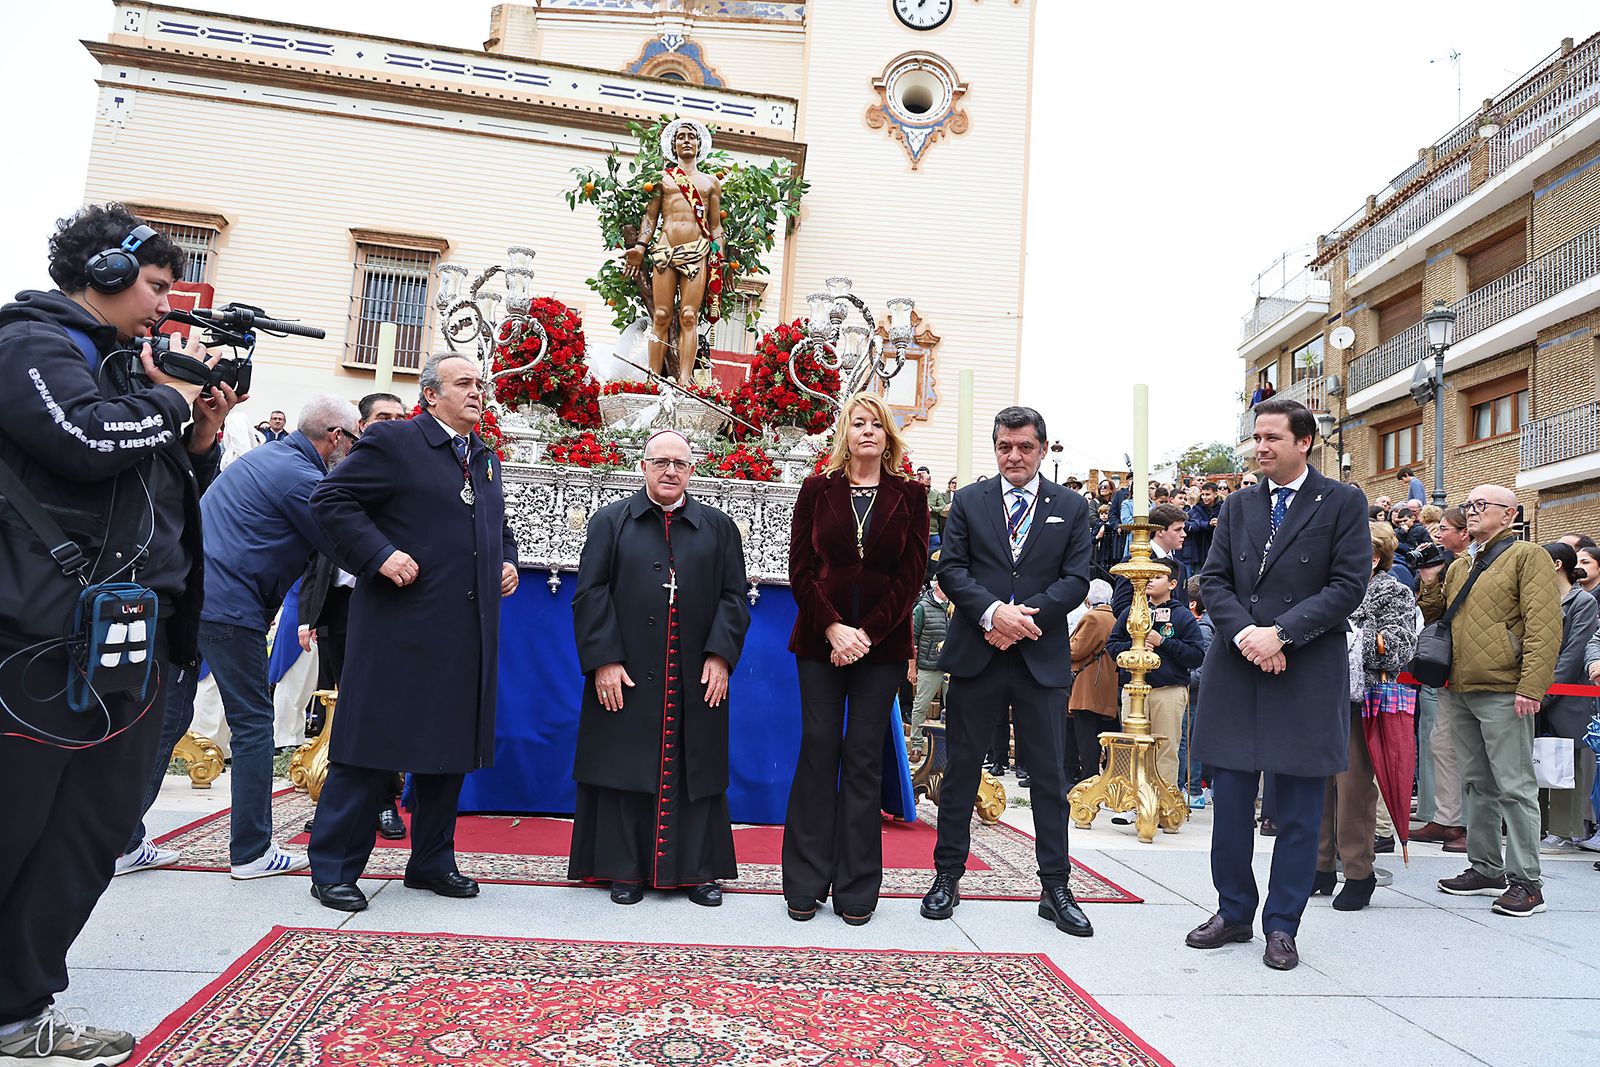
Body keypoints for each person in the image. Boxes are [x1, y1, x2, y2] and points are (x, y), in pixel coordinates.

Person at [0, 204, 237, 1063]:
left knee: (89, 833)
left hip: (124, 643)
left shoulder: (118, 363)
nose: (167, 304)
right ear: (99, 275)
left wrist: (199, 435)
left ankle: (19, 1009)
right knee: (16, 824)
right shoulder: (30, 344)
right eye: (155, 285)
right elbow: (83, 439)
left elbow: (153, 489)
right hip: (36, 644)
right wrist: (169, 400)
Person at [304, 353, 519, 913]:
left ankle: (430, 860)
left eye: (481, 384)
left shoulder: (484, 458)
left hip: (464, 635)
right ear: (430, 395)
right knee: (369, 752)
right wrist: (379, 554)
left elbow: (492, 524)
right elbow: (330, 499)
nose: (478, 392)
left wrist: (507, 559)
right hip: (400, 632)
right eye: (464, 384)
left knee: (447, 754)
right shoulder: (396, 443)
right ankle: (334, 869)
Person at [118, 395, 358, 879]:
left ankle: (123, 842)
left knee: (170, 719)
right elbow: (347, 544)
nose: (355, 449)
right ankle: (251, 851)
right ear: (335, 437)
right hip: (230, 607)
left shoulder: (270, 458)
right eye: (355, 439)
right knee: (252, 724)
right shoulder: (302, 478)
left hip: (193, 599)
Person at [1185, 397, 1369, 971]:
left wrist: (1282, 635)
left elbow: (1348, 584)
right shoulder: (1239, 505)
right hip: (1239, 668)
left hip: (1306, 671)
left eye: (1271, 438)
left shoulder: (1342, 502)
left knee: (1297, 810)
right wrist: (1248, 636)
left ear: (1304, 441)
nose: (1260, 448)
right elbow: (1212, 580)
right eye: (1255, 438)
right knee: (1232, 805)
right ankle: (1234, 911)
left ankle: (1282, 925)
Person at [921, 406, 1095, 938]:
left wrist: (1022, 620)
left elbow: (1077, 578)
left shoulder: (1072, 506)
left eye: (1024, 447)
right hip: (978, 653)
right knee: (962, 771)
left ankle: (1056, 887)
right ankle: (947, 876)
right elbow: (950, 568)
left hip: (1039, 660)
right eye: (1004, 447)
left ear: (1042, 448)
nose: (1014, 456)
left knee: (1049, 777)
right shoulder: (969, 501)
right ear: (995, 448)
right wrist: (994, 614)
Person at [568, 429, 750, 905]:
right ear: (642, 466)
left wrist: (720, 654)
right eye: (660, 462)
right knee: (625, 762)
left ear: (692, 470)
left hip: (696, 670)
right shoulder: (611, 522)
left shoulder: (718, 526)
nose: (671, 471)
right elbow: (590, 594)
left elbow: (735, 597)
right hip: (626, 670)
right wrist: (604, 660)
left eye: (681, 464)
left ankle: (698, 870)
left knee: (696, 766)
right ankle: (622, 868)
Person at [783, 392, 928, 925]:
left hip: (882, 646)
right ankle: (803, 882)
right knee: (819, 749)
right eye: (857, 424)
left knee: (864, 757)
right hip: (820, 642)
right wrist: (835, 629)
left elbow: (911, 577)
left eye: (876, 425)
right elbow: (800, 571)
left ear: (888, 437)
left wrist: (864, 634)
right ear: (844, 434)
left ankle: (857, 889)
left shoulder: (911, 497)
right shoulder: (816, 490)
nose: (867, 432)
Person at [1418, 485, 1559, 917]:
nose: (1472, 512)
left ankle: (1526, 882)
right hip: (1461, 686)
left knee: (1515, 787)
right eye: (1469, 505)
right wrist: (1430, 580)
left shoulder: (1526, 556)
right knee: (1477, 782)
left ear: (1510, 513)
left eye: (1483, 506)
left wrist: (1531, 687)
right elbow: (1438, 616)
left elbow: (1545, 625)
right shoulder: (1463, 563)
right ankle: (1485, 867)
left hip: (1503, 689)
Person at [296, 391, 408, 841]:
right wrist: (308, 616)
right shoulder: (337, 472)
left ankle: (384, 803)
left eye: (400, 418)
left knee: (382, 707)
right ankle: (334, 802)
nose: (392, 424)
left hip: (387, 604)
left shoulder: (406, 472)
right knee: (338, 709)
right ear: (361, 424)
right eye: (383, 416)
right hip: (339, 609)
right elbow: (314, 555)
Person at [1313, 521, 1416, 912]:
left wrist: (1352, 632)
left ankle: (1359, 872)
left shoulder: (1393, 591)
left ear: (1374, 557)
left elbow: (1398, 648)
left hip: (1361, 699)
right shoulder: (1327, 587)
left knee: (1352, 788)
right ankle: (1320, 865)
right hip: (1319, 696)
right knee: (1316, 785)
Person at [622, 118, 723, 386]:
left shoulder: (711, 183)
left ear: (699, 144)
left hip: (697, 251)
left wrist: (718, 255)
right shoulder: (662, 179)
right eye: (681, 137)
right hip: (665, 250)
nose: (686, 140)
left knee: (689, 316)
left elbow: (715, 226)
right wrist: (640, 248)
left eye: (691, 136)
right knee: (661, 315)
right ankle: (652, 378)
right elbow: (650, 218)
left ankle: (686, 379)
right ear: (673, 144)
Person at [1106, 557, 1205, 791]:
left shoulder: (1182, 616)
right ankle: (1129, 801)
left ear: (1172, 584)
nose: (1150, 580)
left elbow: (1196, 655)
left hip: (1168, 690)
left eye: (1158, 576)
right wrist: (1134, 647)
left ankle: (1163, 802)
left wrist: (1163, 643)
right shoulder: (1131, 611)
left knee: (1165, 748)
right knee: (1129, 745)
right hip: (1133, 689)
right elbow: (1112, 645)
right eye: (1148, 576)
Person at [1413, 505, 1471, 851]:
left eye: (1444, 529)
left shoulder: (1484, 562)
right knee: (1442, 744)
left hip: (1484, 672)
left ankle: (1472, 827)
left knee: (1475, 753)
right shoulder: (1448, 566)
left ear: (1463, 533)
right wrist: (1431, 580)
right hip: (1451, 668)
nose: (1438, 535)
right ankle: (1447, 820)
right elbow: (1434, 615)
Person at [1539, 543, 1598, 854]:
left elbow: (1575, 652)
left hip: (1568, 692)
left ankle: (1564, 830)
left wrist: (1547, 692)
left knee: (1567, 763)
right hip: (1541, 689)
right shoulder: (1540, 599)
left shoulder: (1583, 601)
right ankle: (1538, 826)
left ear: (1557, 564)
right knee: (1538, 757)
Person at [1068, 579, 1118, 783]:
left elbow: (1076, 650)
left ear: (1088, 599)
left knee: (1086, 734)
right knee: (1102, 732)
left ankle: (1088, 777)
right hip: (1106, 681)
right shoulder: (1114, 617)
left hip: (1089, 683)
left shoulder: (1093, 618)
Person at [1111, 502, 1189, 618]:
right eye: (1178, 530)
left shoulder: (1179, 566)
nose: (1184, 534)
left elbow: (1184, 606)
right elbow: (1120, 606)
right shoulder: (1134, 562)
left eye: (1183, 529)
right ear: (1160, 531)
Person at [1181, 575, 1214, 808]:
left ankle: (1193, 789)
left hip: (1193, 695)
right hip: (1196, 694)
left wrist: (1182, 678)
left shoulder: (1202, 629)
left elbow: (1201, 669)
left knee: (1187, 743)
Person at [908, 577, 950, 757]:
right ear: (939, 585)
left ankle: (951, 746)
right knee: (921, 706)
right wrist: (912, 668)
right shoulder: (922, 608)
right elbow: (912, 640)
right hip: (928, 666)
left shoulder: (955, 607)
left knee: (954, 708)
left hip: (950, 667)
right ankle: (916, 745)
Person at [1184, 481, 1223, 574]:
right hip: (1200, 546)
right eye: (1203, 494)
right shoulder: (1197, 508)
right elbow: (1197, 523)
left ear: (1215, 494)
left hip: (1218, 545)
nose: (1204, 497)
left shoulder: (1223, 507)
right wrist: (1209, 524)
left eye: (1208, 494)